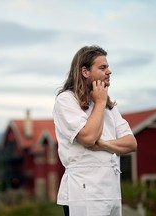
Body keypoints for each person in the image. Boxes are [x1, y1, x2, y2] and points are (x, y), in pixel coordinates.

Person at [53, 45, 137, 216]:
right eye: (102, 67)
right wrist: (99, 102)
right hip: (83, 191)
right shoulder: (66, 100)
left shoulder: (109, 106)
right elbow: (89, 137)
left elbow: (131, 144)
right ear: (85, 72)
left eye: (108, 67)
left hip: (112, 191)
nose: (109, 72)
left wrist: (104, 144)